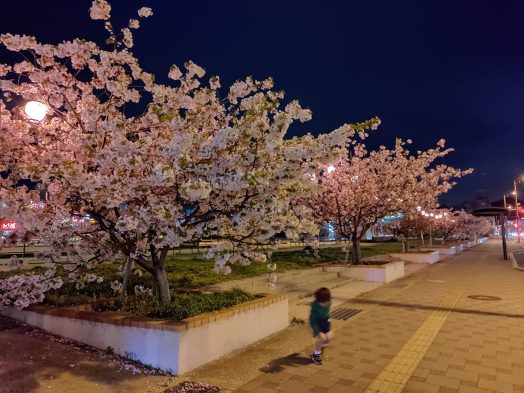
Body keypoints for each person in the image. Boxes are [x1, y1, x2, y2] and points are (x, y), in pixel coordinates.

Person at [309, 287, 334, 365]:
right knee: (321, 339)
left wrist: (330, 325)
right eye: (323, 303)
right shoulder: (315, 307)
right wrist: (318, 332)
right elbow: (313, 321)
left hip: (325, 321)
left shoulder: (328, 302)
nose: (325, 304)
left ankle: (321, 346)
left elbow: (327, 313)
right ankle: (316, 355)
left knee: (329, 338)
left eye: (326, 302)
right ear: (318, 301)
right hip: (317, 323)